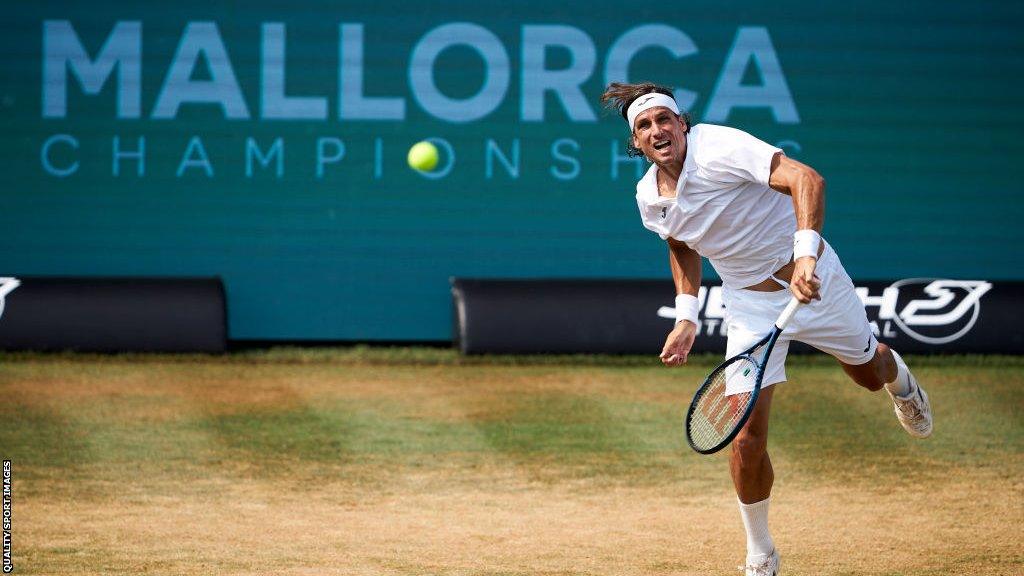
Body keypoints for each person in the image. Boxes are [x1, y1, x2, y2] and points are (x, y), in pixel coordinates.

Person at [599, 82, 933, 576]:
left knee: (867, 373)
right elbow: (681, 243)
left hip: (813, 280)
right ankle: (761, 553)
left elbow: (807, 180)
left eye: (664, 119)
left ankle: (900, 379)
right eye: (645, 127)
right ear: (637, 143)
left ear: (682, 124)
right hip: (750, 309)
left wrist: (804, 257)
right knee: (746, 438)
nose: (658, 130)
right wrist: (687, 314)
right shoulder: (649, 196)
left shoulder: (720, 148)